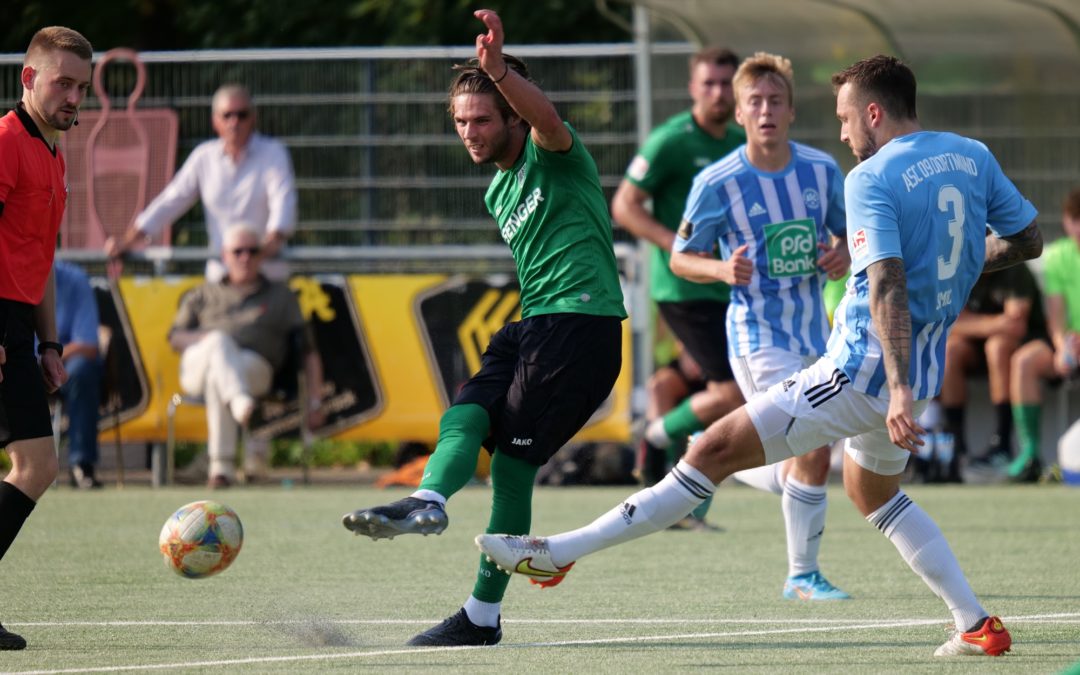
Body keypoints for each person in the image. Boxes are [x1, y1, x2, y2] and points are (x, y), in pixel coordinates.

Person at [478, 54, 1043, 658]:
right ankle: (975, 624)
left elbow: (885, 282)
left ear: (874, 113)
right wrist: (949, 278)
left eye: (848, 119)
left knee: (710, 450)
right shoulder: (971, 155)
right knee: (872, 493)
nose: (846, 133)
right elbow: (1027, 239)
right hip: (919, 371)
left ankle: (559, 554)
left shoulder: (869, 176)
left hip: (861, 372)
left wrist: (896, 385)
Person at [340, 9, 626, 648]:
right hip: (534, 326)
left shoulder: (557, 156)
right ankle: (428, 501)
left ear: (513, 118)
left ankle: (481, 617)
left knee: (513, 473)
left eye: (483, 118)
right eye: (461, 122)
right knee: (463, 414)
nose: (469, 132)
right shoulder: (496, 190)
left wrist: (497, 69)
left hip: (582, 328)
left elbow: (550, 121)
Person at [670, 53, 851, 599]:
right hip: (756, 336)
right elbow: (682, 257)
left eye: (776, 101)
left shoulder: (821, 170)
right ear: (742, 115)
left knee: (808, 451)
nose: (766, 110)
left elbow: (847, 238)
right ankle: (802, 576)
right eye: (756, 102)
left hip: (814, 334)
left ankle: (709, 450)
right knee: (812, 449)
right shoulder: (717, 182)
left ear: (792, 111)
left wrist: (840, 254)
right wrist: (722, 268)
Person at [611, 48, 745, 523]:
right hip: (683, 289)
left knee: (736, 396)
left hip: (730, 287)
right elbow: (625, 206)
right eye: (708, 83)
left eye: (726, 83)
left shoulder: (740, 141)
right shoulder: (670, 141)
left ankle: (687, 505)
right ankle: (656, 434)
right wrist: (677, 246)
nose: (717, 92)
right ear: (692, 88)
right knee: (733, 395)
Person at [0, 26, 92, 651]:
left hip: (18, 326)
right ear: (29, 78)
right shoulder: (7, 141)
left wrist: (51, 345)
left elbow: (44, 258)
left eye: (81, 87)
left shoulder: (54, 153)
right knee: (36, 465)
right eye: (62, 82)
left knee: (31, 465)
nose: (72, 96)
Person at [168, 223, 325, 489]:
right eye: (238, 251)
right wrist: (208, 340)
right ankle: (240, 404)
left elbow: (308, 352)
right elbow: (175, 338)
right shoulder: (202, 293)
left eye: (252, 251)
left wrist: (316, 403)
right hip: (197, 366)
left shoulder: (281, 296)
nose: (245, 257)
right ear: (224, 255)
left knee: (218, 379)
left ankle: (220, 468)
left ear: (262, 255)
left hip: (255, 368)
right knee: (218, 342)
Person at [104, 84, 297, 282]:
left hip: (268, 277)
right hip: (221, 279)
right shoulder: (204, 157)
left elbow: (282, 207)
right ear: (215, 121)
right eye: (227, 115)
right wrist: (128, 240)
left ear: (253, 118)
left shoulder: (274, 153)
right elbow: (170, 201)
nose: (234, 122)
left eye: (242, 115)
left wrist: (260, 253)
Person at [934, 262, 1045, 481]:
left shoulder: (1014, 267)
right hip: (974, 349)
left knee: (997, 346)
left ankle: (1002, 444)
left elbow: (1016, 326)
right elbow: (948, 324)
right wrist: (995, 322)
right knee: (950, 351)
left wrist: (969, 323)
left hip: (1018, 347)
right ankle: (957, 449)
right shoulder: (957, 267)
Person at [1008, 187, 1080, 481]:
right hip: (1070, 345)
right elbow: (1056, 313)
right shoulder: (1059, 256)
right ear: (1066, 221)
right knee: (1024, 361)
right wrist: (1064, 346)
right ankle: (1030, 455)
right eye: (1075, 219)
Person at [53, 260, 103, 489]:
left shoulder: (75, 279)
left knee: (83, 370)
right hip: (17, 364)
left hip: (64, 366)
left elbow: (88, 344)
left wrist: (48, 355)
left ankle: (82, 465)